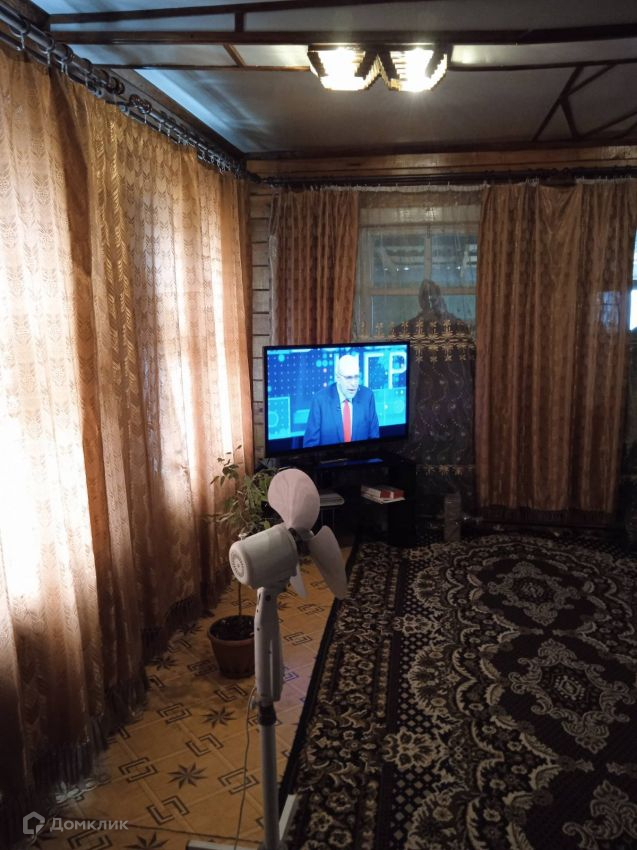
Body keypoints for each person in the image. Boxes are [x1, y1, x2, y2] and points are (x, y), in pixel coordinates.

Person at [303, 353, 380, 448]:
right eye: (348, 378)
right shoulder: (319, 400)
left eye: (356, 377)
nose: (353, 383)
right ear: (338, 378)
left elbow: (374, 440)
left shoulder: (368, 396)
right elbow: (310, 446)